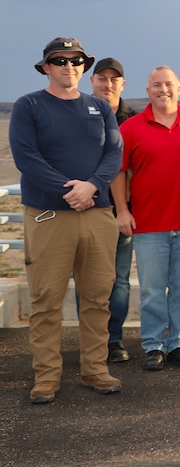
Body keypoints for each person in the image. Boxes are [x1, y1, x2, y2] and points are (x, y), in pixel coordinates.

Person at [10, 37, 123, 403]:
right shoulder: (29, 106)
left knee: (96, 297)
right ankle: (46, 377)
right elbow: (27, 157)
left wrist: (91, 186)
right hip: (49, 217)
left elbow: (114, 153)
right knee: (45, 299)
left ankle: (96, 369)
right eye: (60, 60)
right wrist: (68, 190)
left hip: (97, 215)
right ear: (46, 67)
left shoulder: (100, 108)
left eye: (76, 60)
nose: (69, 66)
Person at [112, 67, 180, 371]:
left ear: (179, 88)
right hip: (148, 225)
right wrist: (123, 211)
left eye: (168, 84)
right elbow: (118, 172)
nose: (162, 90)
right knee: (153, 291)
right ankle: (153, 345)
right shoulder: (131, 128)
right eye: (156, 85)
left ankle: (179, 343)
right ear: (148, 89)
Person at [88, 57, 138, 363]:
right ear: (91, 81)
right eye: (101, 79)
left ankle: (114, 339)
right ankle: (91, 340)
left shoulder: (133, 120)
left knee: (118, 280)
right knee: (89, 281)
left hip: (122, 212)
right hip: (86, 210)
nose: (108, 84)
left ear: (122, 84)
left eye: (113, 79)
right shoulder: (78, 113)